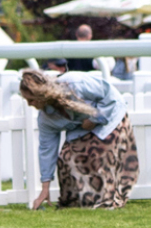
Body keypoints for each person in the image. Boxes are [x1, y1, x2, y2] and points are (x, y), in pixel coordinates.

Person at [22, 64, 137, 210]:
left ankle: (107, 200)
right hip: (84, 127)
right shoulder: (46, 119)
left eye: (31, 99)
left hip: (111, 117)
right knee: (65, 157)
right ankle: (74, 203)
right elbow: (46, 150)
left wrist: (94, 120)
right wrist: (45, 189)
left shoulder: (74, 83)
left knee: (96, 152)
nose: (29, 104)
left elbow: (111, 97)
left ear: (41, 93)